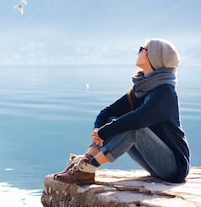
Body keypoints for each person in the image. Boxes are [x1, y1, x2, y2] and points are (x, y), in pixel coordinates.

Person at [54, 38, 190, 185]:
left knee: (134, 129)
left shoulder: (165, 92)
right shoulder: (141, 88)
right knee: (113, 118)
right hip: (155, 162)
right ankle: (85, 161)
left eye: (142, 49)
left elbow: (138, 119)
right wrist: (98, 131)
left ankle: (89, 169)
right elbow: (107, 112)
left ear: (154, 57)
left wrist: (104, 132)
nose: (138, 52)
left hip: (174, 167)